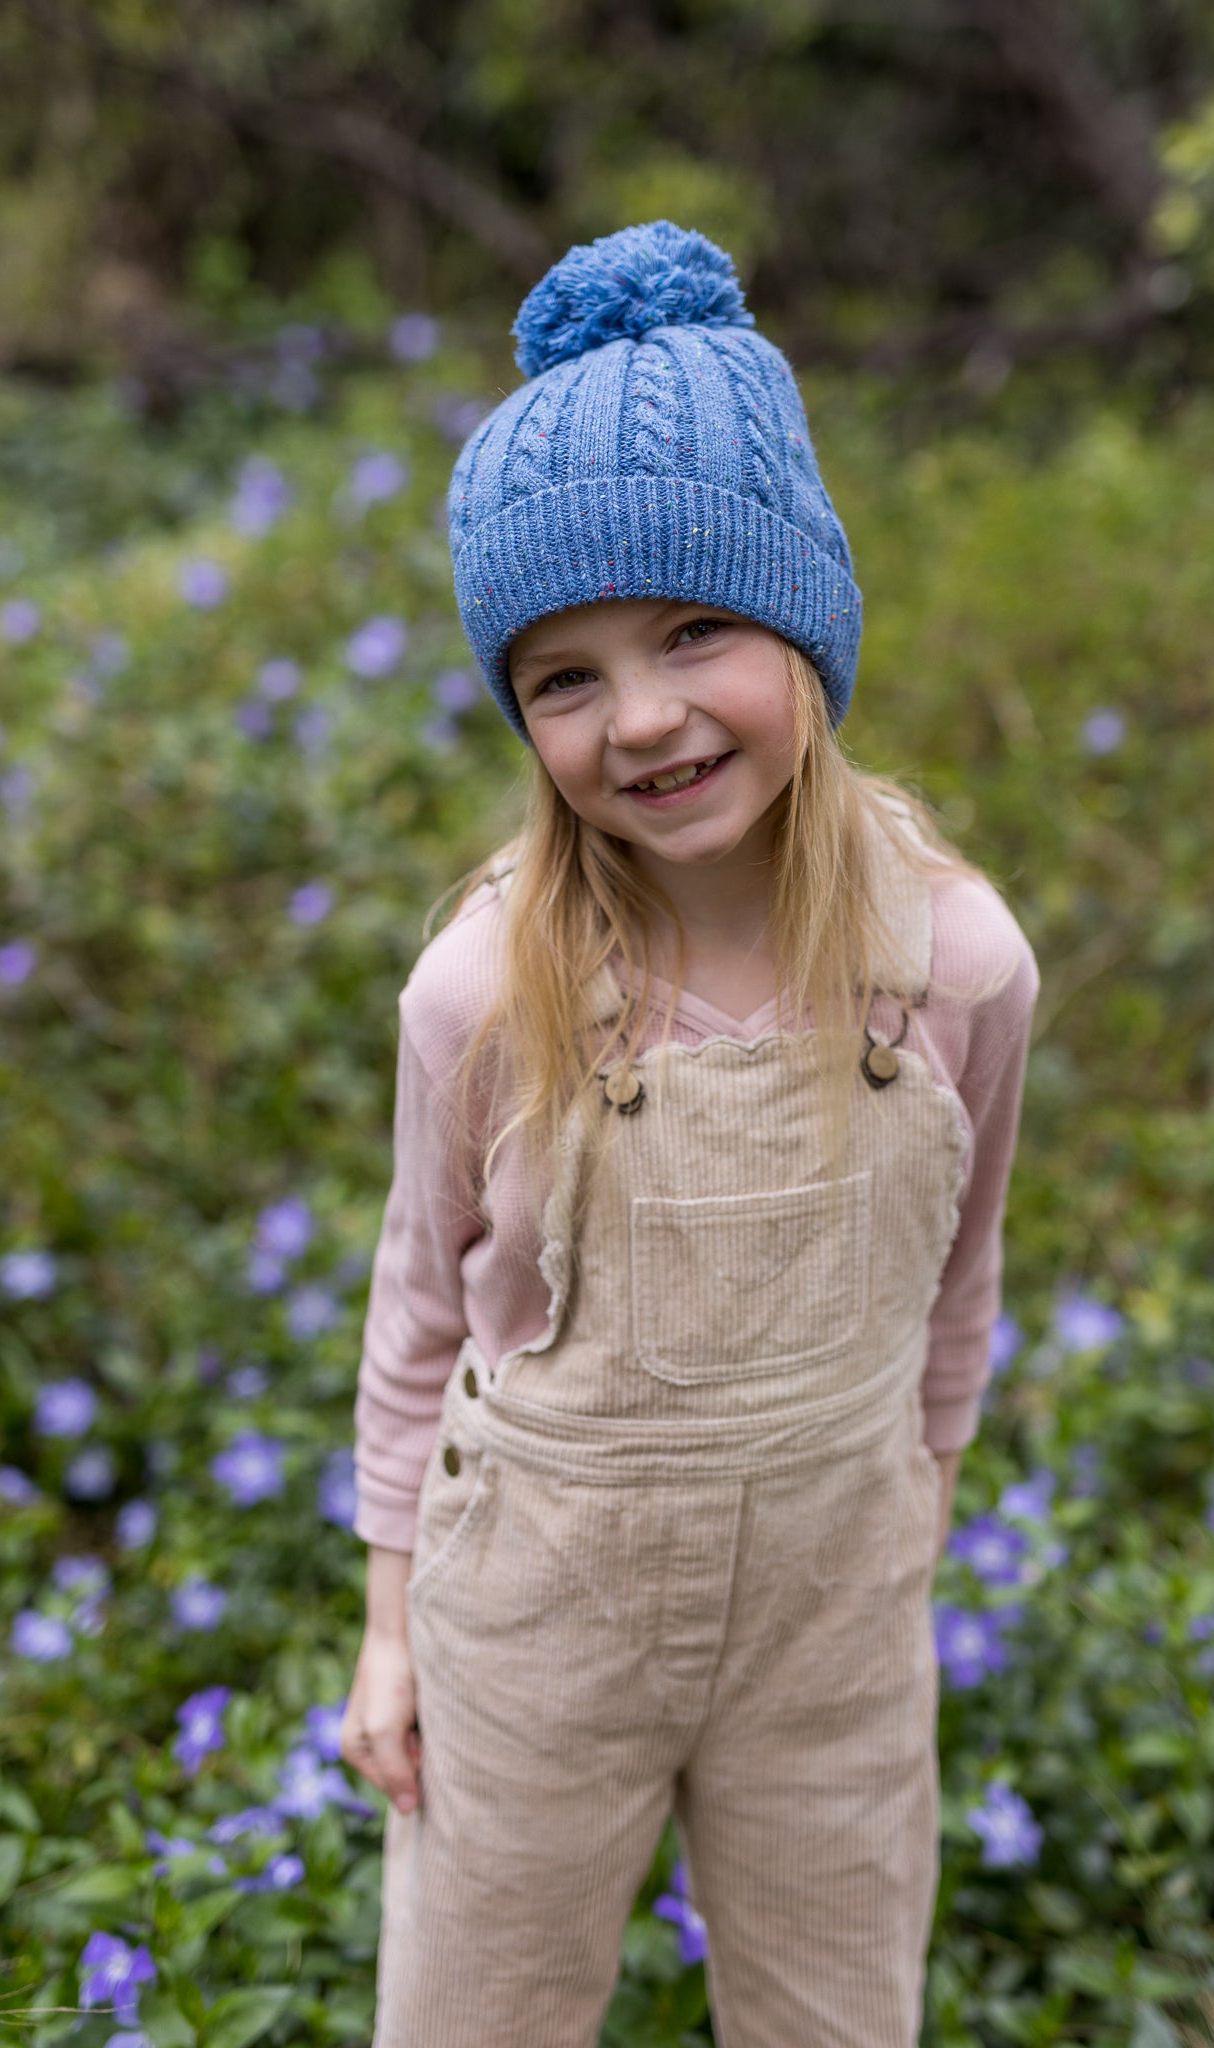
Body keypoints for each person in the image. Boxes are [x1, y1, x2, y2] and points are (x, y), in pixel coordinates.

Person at [341, 219, 1040, 2047]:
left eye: (692, 630)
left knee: (835, 2010)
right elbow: (422, 1313)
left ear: (803, 619)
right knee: (477, 2011)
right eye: (561, 677)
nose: (639, 718)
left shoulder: (952, 962)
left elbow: (955, 1289)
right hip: (534, 1613)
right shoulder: (483, 991)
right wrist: (392, 1626)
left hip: (836, 1620)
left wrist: (907, 1532)